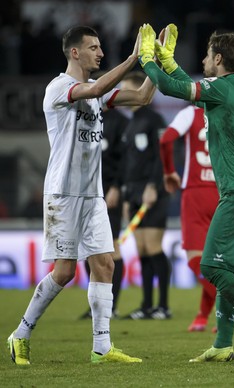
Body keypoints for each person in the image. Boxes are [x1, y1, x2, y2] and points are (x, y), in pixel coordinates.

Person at [6, 25, 155, 365]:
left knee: (104, 263)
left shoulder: (97, 94)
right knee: (64, 272)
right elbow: (99, 87)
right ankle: (20, 334)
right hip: (63, 194)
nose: (100, 53)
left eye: (101, 47)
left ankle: (102, 348)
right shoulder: (59, 88)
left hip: (93, 195)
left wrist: (158, 64)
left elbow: (143, 96)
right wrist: (134, 57)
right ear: (75, 52)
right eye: (93, 47)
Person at [139, 23, 234, 362]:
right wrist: (168, 59)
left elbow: (173, 89)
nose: (202, 60)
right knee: (225, 268)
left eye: (205, 55)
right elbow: (190, 84)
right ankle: (222, 345)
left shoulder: (219, 88)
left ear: (218, 59)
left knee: (211, 267)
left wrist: (147, 59)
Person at [160, 105, 234, 332]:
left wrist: (169, 171)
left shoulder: (190, 112)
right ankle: (203, 315)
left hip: (196, 193)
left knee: (195, 259)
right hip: (225, 191)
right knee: (216, 260)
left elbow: (166, 140)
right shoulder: (230, 113)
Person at [120, 70, 172, 320]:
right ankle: (147, 305)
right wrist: (127, 196)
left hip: (154, 193)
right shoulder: (130, 123)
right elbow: (129, 165)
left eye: (126, 88)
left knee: (153, 247)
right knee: (141, 250)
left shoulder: (155, 120)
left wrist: (154, 186)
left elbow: (163, 157)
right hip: (134, 194)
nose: (122, 93)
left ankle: (163, 306)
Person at [79, 71, 129, 320]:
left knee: (112, 250)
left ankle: (112, 305)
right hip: (86, 191)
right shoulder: (86, 115)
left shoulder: (121, 121)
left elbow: (124, 160)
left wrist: (117, 187)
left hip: (109, 192)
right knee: (89, 251)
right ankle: (96, 306)